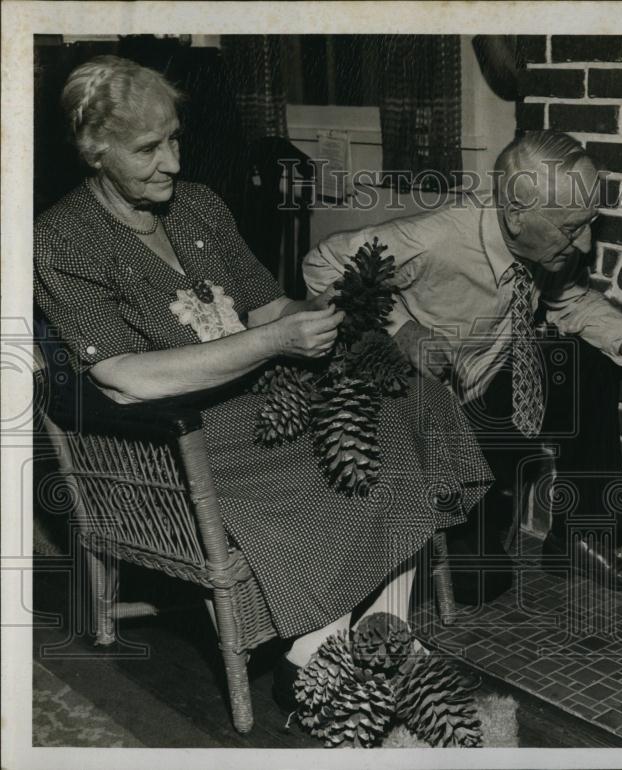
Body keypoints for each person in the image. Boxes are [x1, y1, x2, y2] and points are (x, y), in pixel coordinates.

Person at [33, 55, 493, 711]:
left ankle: (376, 633)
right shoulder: (60, 240)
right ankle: (316, 652)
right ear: (93, 151)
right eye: (148, 148)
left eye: (175, 138)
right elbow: (124, 379)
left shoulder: (198, 206)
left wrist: (337, 320)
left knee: (411, 405)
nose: (171, 160)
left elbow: (267, 305)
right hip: (178, 437)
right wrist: (270, 341)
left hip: (263, 400)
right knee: (324, 472)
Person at [302, 130, 622, 602]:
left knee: (588, 364)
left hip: (494, 385)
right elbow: (322, 264)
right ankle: (394, 548)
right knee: (480, 582)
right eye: (573, 228)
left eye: (590, 222)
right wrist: (401, 327)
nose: (587, 244)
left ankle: (581, 539)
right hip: (430, 416)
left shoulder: (545, 245)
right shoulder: (436, 239)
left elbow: (568, 300)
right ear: (515, 216)